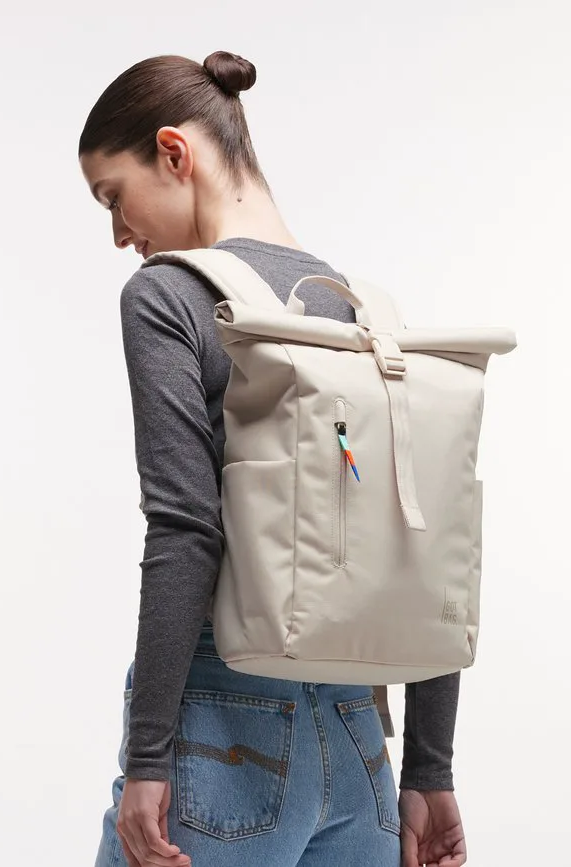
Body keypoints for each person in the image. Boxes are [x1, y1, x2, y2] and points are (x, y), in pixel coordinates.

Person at [79, 50, 467, 867]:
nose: (118, 234)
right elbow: (426, 541)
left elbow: (186, 528)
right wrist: (429, 767)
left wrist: (148, 755)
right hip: (360, 751)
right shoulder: (360, 314)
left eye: (114, 196)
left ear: (174, 152)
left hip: (221, 738)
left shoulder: (168, 294)